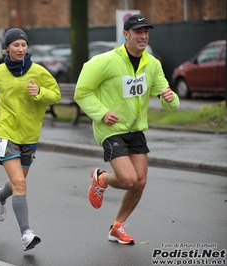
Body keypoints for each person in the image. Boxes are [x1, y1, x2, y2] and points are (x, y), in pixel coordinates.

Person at [74, 14, 180, 245]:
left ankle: (117, 227)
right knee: (129, 179)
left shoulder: (152, 64)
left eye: (146, 32)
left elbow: (167, 99)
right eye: (138, 32)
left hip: (135, 129)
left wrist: (170, 98)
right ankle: (100, 178)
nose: (143, 36)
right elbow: (82, 91)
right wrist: (102, 112)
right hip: (110, 128)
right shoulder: (104, 61)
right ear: (126, 34)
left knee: (140, 182)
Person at [0, 28, 61, 251]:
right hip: (4, 133)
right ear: (7, 48)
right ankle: (26, 233)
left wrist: (39, 92)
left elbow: (55, 94)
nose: (20, 49)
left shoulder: (38, 71)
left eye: (23, 45)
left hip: (29, 134)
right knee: (20, 183)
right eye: (15, 45)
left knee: (18, 183)